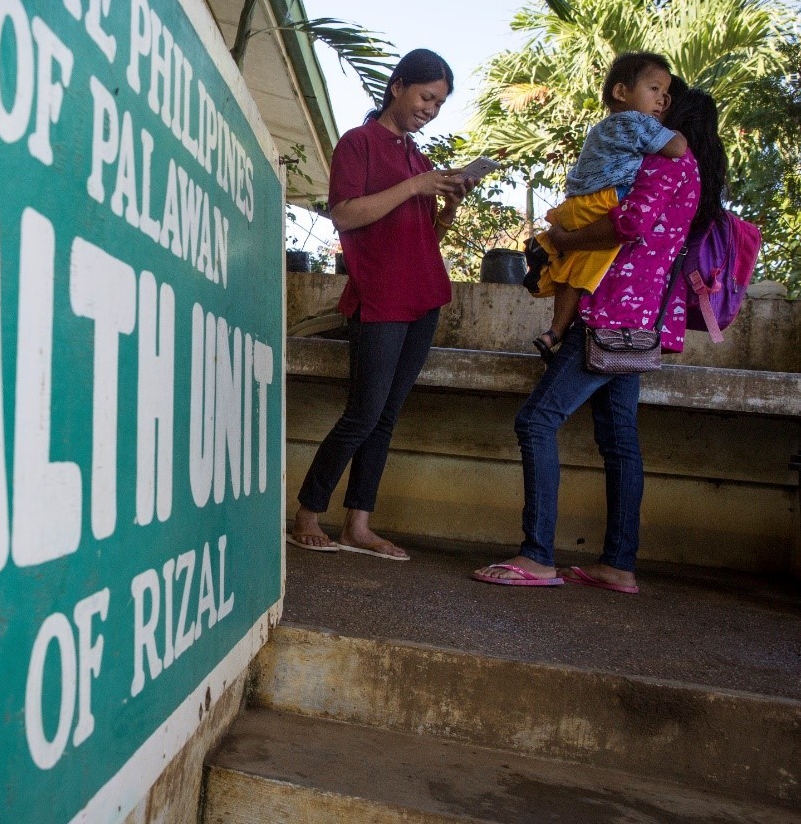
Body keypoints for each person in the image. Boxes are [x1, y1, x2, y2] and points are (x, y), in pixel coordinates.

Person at [473, 85, 725, 592]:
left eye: (663, 102)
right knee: (619, 442)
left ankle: (537, 555)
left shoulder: (667, 162)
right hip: (643, 323)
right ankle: (617, 564)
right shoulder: (697, 171)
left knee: (537, 421)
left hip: (611, 313)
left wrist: (565, 239)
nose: (654, 108)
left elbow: (629, 223)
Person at [289, 49, 474, 559]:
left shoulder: (419, 158)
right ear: (397, 86)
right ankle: (308, 510)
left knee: (387, 414)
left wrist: (448, 206)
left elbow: (424, 238)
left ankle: (359, 525)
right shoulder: (360, 143)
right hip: (380, 298)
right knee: (364, 412)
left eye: (438, 103)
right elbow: (345, 216)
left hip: (423, 297)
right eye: (425, 96)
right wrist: (414, 185)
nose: (430, 109)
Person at [524, 52, 687, 362]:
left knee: (577, 265)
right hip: (607, 200)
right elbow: (677, 148)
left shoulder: (605, 125)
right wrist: (678, 130)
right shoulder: (634, 121)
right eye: (654, 90)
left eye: (666, 95)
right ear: (621, 92)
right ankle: (544, 252)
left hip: (577, 204)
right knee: (594, 262)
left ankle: (554, 331)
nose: (661, 101)